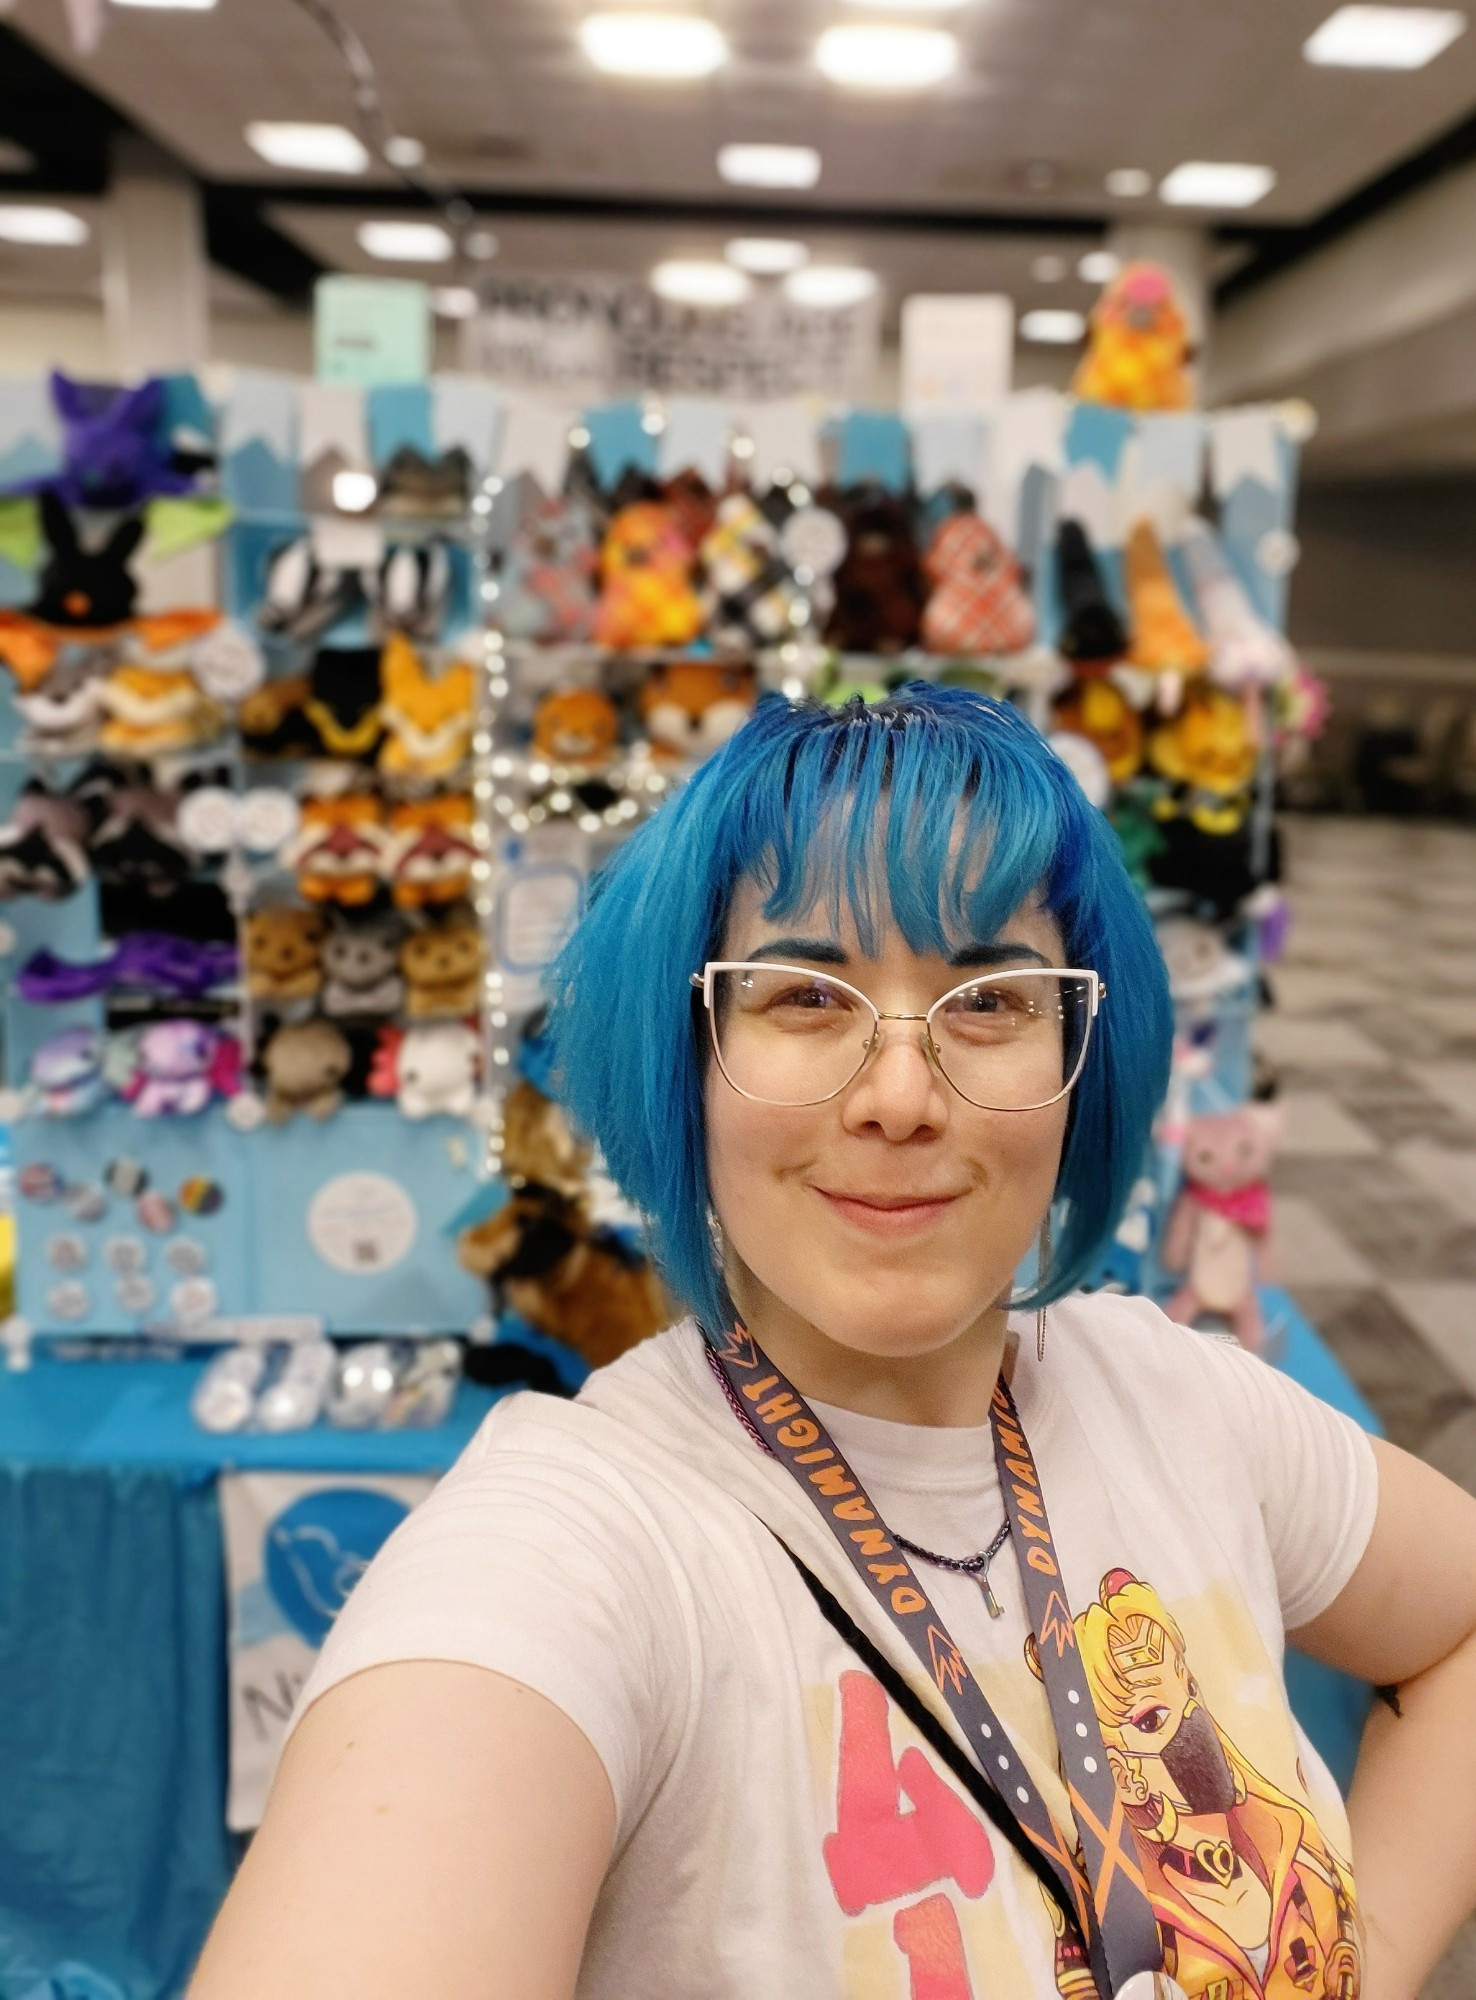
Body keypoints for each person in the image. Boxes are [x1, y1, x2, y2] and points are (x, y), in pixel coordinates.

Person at [191, 687, 1476, 2000]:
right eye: (805, 993)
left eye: (989, 998)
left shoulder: (1178, 1396)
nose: (902, 1096)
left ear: (1078, 1051)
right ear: (688, 1054)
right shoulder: (584, 1545)